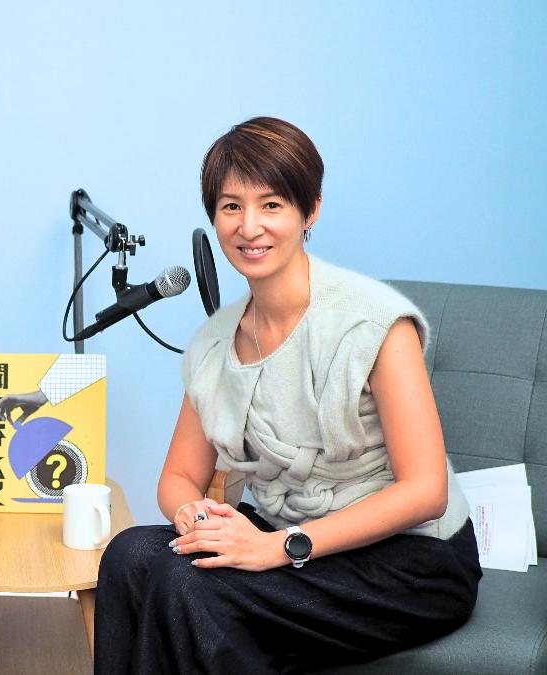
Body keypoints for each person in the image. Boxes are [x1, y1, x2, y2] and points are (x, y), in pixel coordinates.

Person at [94, 117, 481, 673]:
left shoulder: (372, 324)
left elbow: (426, 492)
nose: (250, 226)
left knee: (186, 585)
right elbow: (179, 476)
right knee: (129, 555)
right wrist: (195, 516)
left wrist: (277, 548)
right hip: (286, 539)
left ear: (310, 210)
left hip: (410, 560)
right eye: (231, 207)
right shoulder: (216, 345)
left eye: (271, 204)